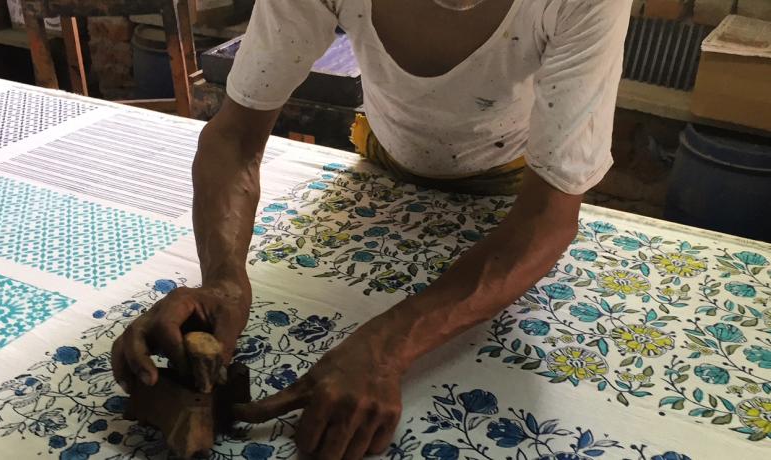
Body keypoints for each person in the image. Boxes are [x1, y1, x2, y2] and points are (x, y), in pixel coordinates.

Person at [111, 0, 632, 458]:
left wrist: (386, 348)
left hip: (512, 191)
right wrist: (224, 280)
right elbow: (235, 138)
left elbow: (546, 216)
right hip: (385, 160)